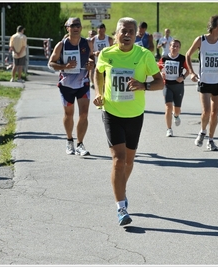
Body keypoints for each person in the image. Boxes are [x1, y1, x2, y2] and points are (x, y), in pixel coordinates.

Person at [93, 17, 164, 226]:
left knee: (129, 162)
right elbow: (97, 72)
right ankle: (121, 206)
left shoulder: (144, 55)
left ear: (136, 35)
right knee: (118, 159)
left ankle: (121, 190)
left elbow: (159, 82)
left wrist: (144, 85)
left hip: (134, 115)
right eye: (123, 31)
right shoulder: (107, 54)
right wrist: (99, 93)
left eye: (131, 31)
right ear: (116, 34)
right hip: (112, 112)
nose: (127, 35)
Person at [48, 17, 95, 156]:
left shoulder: (87, 43)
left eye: (78, 25)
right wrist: (64, 66)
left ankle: (80, 144)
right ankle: (69, 141)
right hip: (66, 85)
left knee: (84, 114)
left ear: (81, 28)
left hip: (83, 83)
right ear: (67, 28)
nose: (76, 27)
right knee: (69, 115)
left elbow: (92, 57)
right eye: (72, 25)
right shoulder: (61, 45)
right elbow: (51, 63)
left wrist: (91, 63)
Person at [185, 15, 218, 151]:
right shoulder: (201, 40)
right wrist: (192, 73)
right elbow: (188, 55)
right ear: (215, 27)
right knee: (206, 112)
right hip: (204, 81)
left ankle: (210, 140)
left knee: (214, 113)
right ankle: (202, 131)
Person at [158, 39, 189, 137]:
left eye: (177, 46)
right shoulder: (164, 58)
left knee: (177, 109)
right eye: (173, 46)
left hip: (178, 86)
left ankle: (176, 116)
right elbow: (157, 69)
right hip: (167, 85)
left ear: (179, 48)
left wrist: (183, 77)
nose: (174, 48)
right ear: (169, 47)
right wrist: (161, 74)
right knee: (168, 107)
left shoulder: (182, 59)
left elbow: (189, 70)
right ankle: (169, 129)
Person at [90, 23, 114, 89]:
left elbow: (114, 51)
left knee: (107, 84)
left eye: (103, 31)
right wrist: (95, 53)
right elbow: (90, 52)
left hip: (108, 64)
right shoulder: (93, 40)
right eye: (100, 31)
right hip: (98, 64)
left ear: (105, 30)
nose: (101, 33)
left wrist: (107, 53)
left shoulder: (109, 39)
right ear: (97, 31)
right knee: (99, 85)